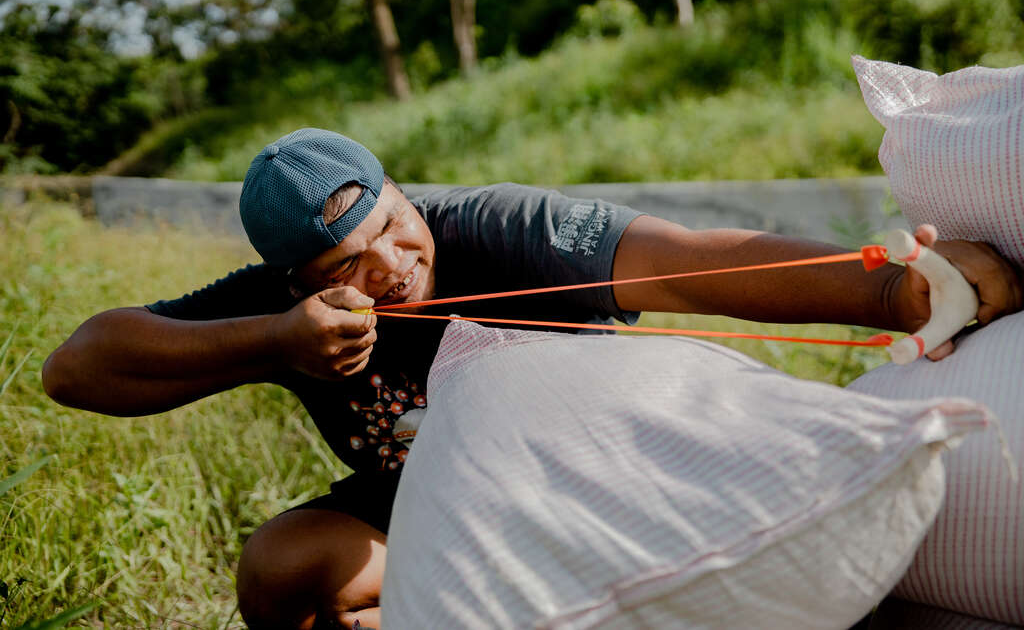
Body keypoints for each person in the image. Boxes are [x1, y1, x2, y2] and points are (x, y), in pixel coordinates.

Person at [42, 128, 1023, 629]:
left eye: (390, 222)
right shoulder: (279, 306)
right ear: (300, 277)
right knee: (278, 565)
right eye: (345, 266)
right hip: (424, 512)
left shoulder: (490, 224)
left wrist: (893, 291)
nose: (387, 265)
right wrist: (271, 340)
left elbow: (687, 259)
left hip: (606, 478)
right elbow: (78, 365)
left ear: (399, 189)